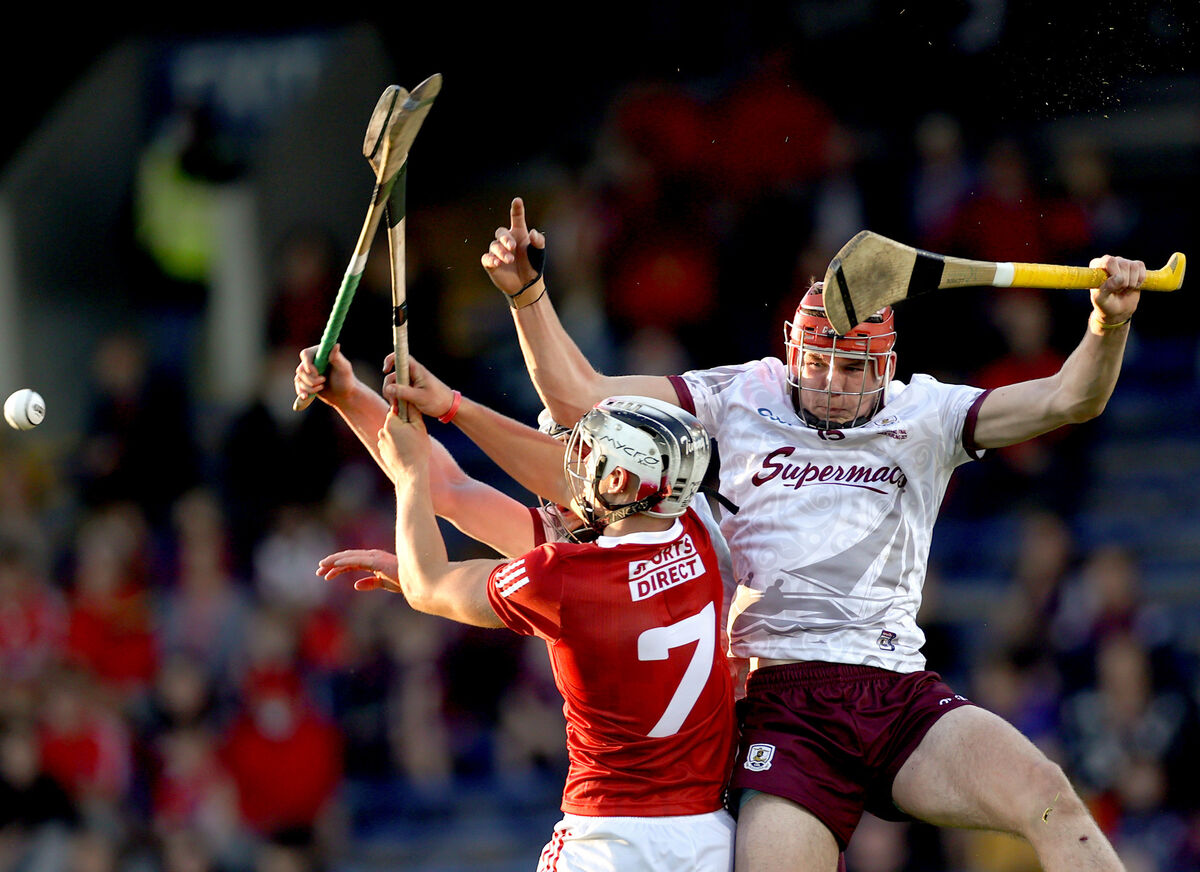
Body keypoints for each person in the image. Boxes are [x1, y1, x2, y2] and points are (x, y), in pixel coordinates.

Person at [460, 196, 1147, 872]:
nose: (830, 382)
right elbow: (579, 399)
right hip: (783, 710)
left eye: (852, 368)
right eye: (817, 363)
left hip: (898, 693)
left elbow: (1069, 398)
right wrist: (527, 295)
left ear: (885, 365)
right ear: (793, 349)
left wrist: (1105, 325)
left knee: (1051, 798)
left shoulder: (928, 413)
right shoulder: (739, 395)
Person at [331, 392, 738, 871]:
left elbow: (427, 583)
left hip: (609, 838)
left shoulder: (561, 575)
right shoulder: (695, 532)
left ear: (621, 479)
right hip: (711, 836)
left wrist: (408, 474)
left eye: (587, 458)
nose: (570, 477)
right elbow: (455, 490)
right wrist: (350, 395)